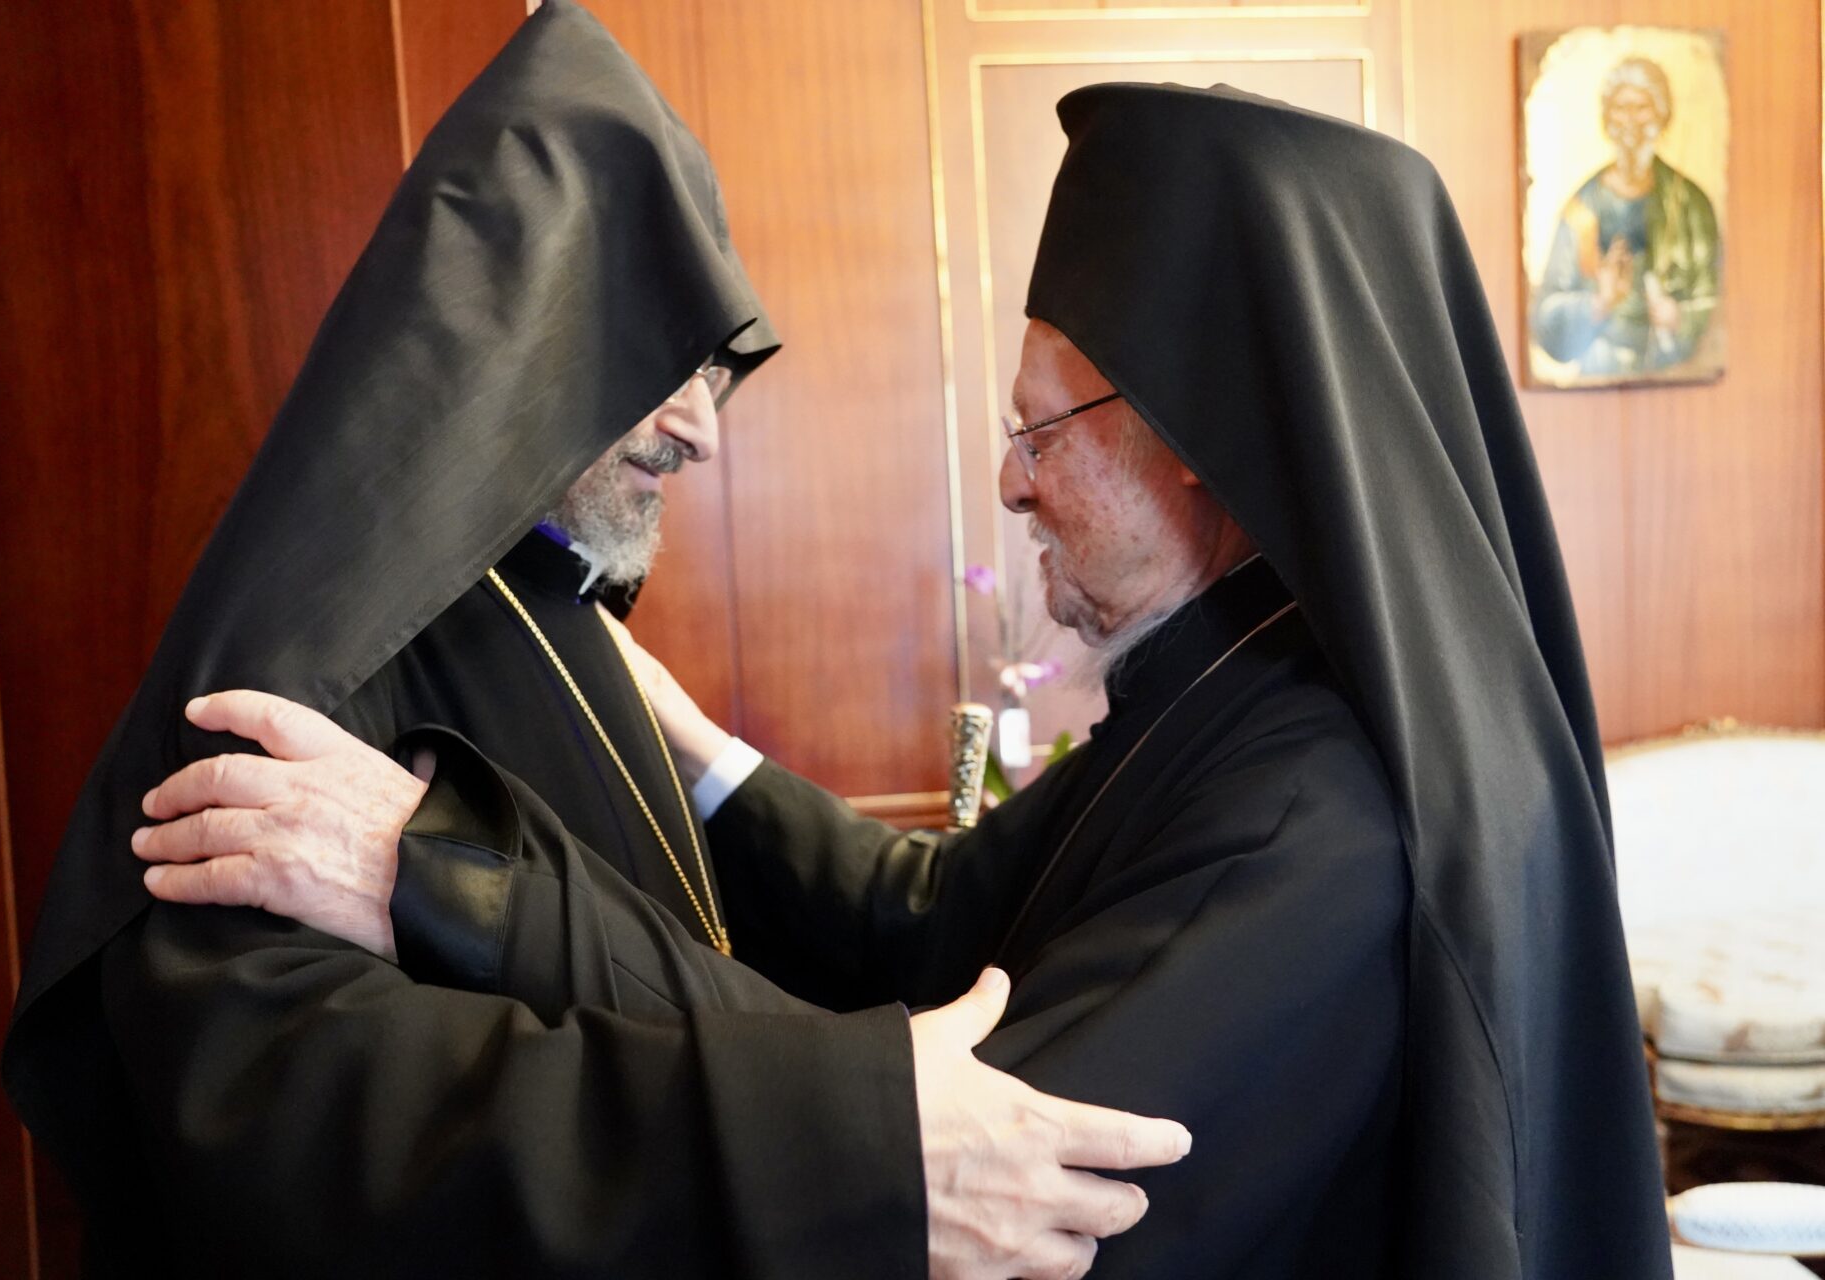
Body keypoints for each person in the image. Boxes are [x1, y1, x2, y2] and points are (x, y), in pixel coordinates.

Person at [132, 83, 1675, 1278]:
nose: (1011, 483)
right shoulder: (1238, 688)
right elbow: (939, 921)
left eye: (1040, 430)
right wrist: (698, 750)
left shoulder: (1311, 809)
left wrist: (451, 874)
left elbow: (970, 1155)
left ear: (1205, 435)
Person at [0, 7, 1186, 1277]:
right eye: (664, 366)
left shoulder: (557, 606)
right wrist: (835, 1138)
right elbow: (295, 1104)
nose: (704, 430)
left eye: (714, 376)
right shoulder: (313, 649)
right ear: (523, 339)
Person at [1531, 55, 1722, 377]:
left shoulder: (1690, 204)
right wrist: (1600, 302)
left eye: (1642, 107)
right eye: (1621, 107)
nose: (1631, 120)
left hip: (1674, 378)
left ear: (1662, 115)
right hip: (1597, 374)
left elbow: (1719, 303)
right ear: (1607, 118)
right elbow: (1547, 317)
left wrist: (1679, 317)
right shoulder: (1581, 208)